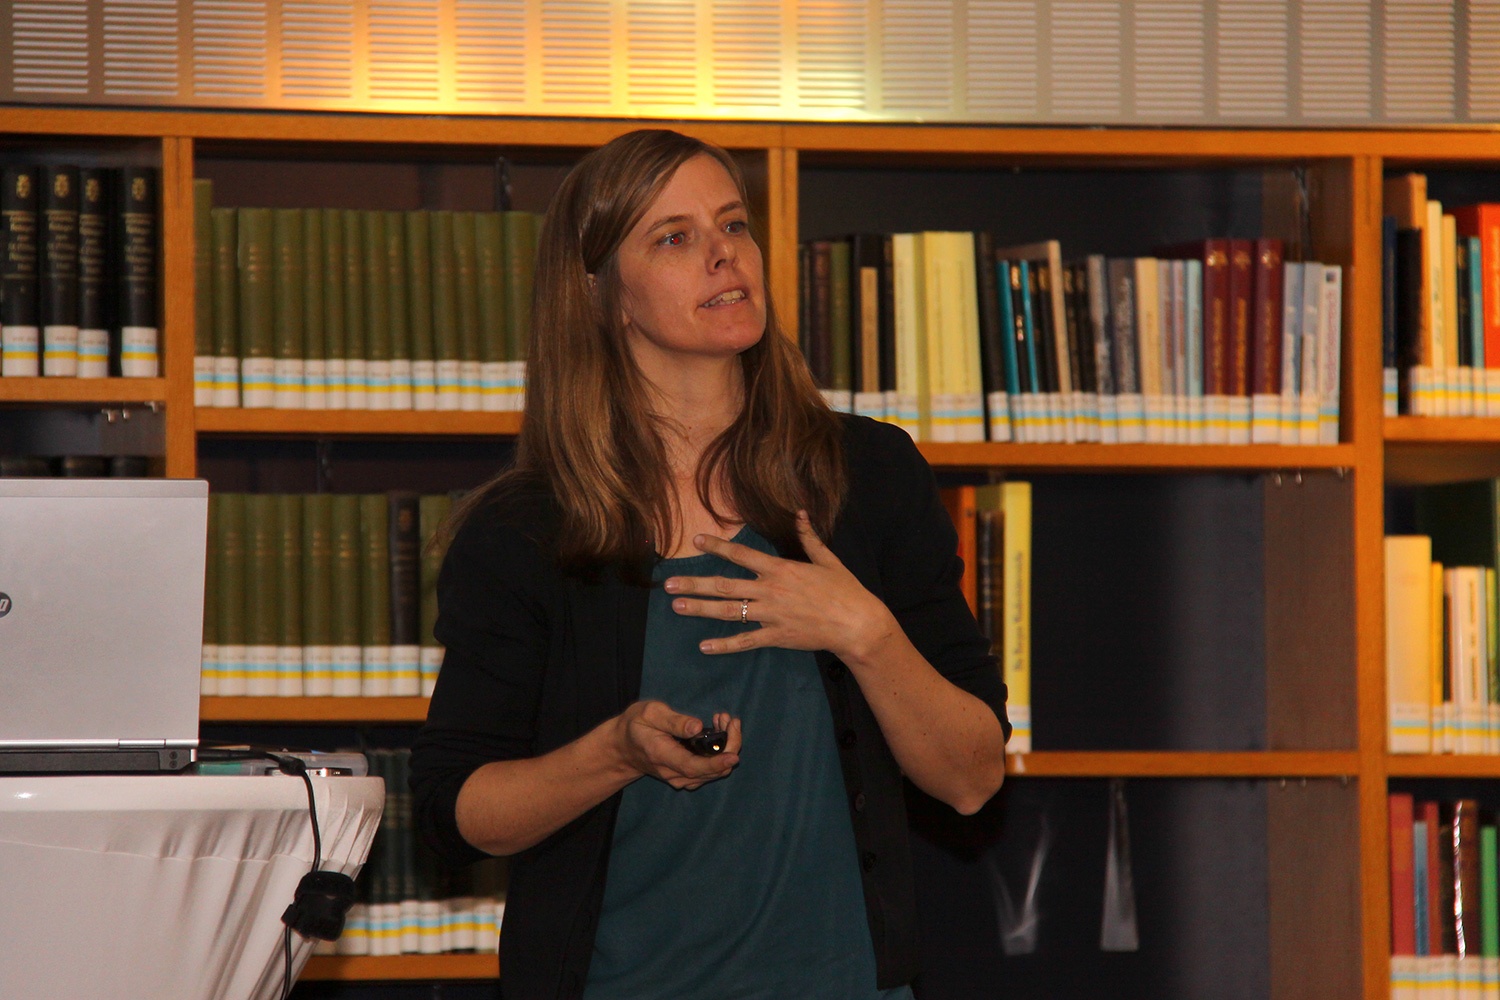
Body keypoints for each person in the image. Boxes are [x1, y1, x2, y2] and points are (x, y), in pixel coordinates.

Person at [409, 128, 1009, 1000]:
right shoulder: (527, 529)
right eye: (674, 238)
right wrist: (616, 751)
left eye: (733, 224)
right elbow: (455, 812)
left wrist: (863, 632)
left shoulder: (867, 476)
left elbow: (973, 779)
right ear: (605, 295)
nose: (724, 254)